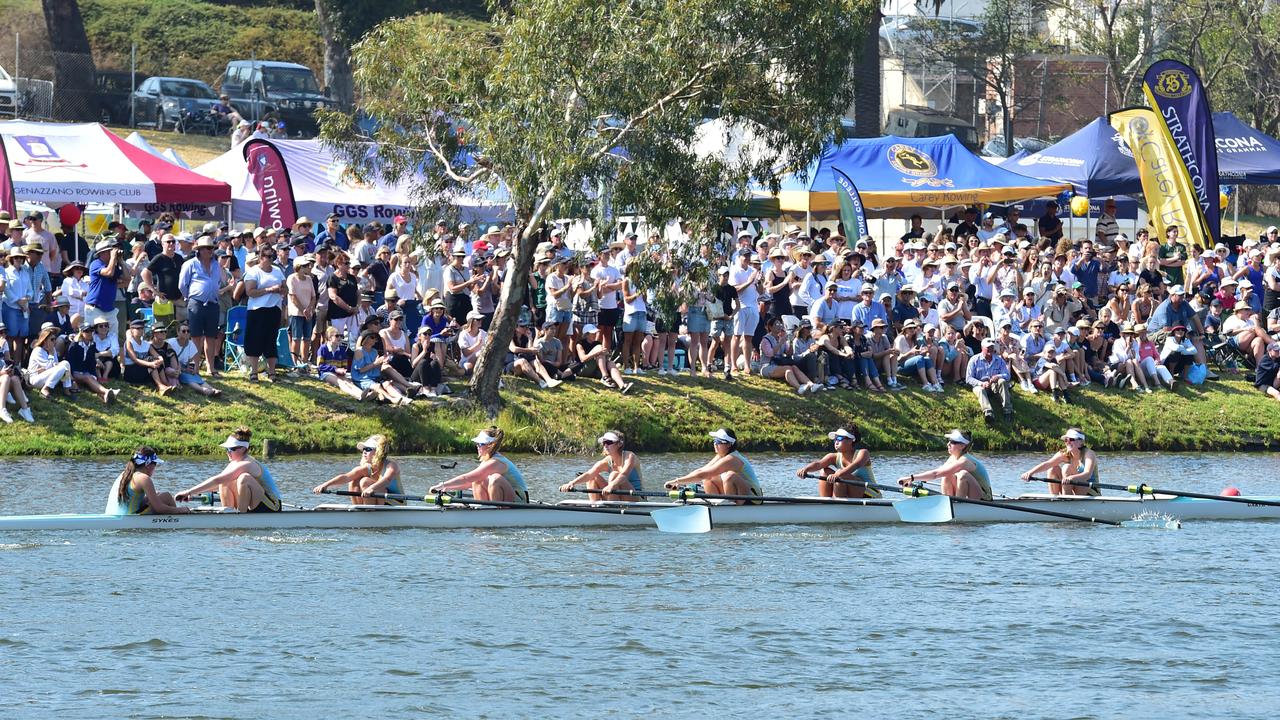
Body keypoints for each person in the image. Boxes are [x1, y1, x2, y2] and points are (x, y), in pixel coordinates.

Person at [176, 428, 282, 512]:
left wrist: (188, 491)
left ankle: (240, 516)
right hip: (256, 503)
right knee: (225, 481)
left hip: (272, 506)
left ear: (243, 449)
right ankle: (229, 514)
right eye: (227, 449)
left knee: (244, 478)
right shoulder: (234, 463)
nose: (228, 452)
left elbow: (216, 480)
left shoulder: (248, 464)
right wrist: (192, 494)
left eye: (231, 449)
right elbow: (217, 483)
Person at [430, 426, 528, 502]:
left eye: (480, 444)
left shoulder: (496, 462)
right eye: (477, 444)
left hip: (520, 501)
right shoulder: (487, 461)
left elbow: (466, 478)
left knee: (495, 478)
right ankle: (484, 510)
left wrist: (442, 485)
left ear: (491, 445)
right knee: (477, 480)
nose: (477, 447)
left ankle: (495, 511)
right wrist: (447, 488)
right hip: (507, 497)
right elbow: (468, 483)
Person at [664, 428, 762, 504]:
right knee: (709, 478)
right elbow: (701, 471)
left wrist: (676, 481)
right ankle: (716, 505)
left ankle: (733, 507)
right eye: (714, 440)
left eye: (719, 442)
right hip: (738, 493)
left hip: (753, 498)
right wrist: (681, 483)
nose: (715, 444)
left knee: (730, 476)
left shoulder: (732, 459)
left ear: (728, 445)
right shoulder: (720, 455)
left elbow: (701, 475)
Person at [898, 429, 992, 500]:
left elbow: (935, 475)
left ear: (962, 446)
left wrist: (911, 477)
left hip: (984, 499)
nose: (948, 444)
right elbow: (937, 472)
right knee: (946, 474)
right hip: (971, 495)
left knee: (963, 475)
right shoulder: (953, 458)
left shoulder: (965, 461)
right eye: (949, 441)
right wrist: (911, 483)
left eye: (952, 442)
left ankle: (959, 505)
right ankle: (948, 502)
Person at [313, 434, 406, 505]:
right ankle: (360, 510)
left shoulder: (392, 466)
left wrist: (371, 488)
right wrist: (326, 485)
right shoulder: (366, 468)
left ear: (378, 452)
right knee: (353, 481)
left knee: (365, 482)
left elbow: (387, 480)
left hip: (396, 503)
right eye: (364, 449)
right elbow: (345, 477)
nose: (364, 451)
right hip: (379, 502)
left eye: (368, 449)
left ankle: (370, 513)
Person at [794, 425, 879, 498]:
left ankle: (837, 507)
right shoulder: (833, 457)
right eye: (835, 439)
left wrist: (837, 474)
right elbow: (818, 464)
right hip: (852, 493)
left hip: (870, 494)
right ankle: (826, 503)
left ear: (850, 440)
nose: (836, 442)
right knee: (824, 471)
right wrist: (805, 469)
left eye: (840, 438)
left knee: (841, 474)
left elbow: (855, 465)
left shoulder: (863, 453)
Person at [242, 249, 287, 382]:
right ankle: (254, 372)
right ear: (261, 257)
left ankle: (272, 372)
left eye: (272, 256)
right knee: (255, 340)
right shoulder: (253, 271)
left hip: (274, 309)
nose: (271, 259)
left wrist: (280, 290)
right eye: (268, 256)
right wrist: (268, 290)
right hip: (257, 310)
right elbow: (250, 292)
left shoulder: (278, 271)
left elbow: (286, 289)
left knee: (271, 340)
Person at [559, 430, 643, 501]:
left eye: (609, 442)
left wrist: (611, 485)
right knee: (593, 477)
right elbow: (589, 474)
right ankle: (595, 507)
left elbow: (624, 475)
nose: (605, 445)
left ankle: (612, 508)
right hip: (616, 497)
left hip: (636, 498)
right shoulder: (606, 462)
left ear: (619, 444)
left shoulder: (629, 456)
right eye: (604, 442)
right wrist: (572, 483)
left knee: (614, 475)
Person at [106, 447, 189, 515]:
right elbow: (159, 508)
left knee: (157, 494)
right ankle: (177, 524)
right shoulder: (143, 478)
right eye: (155, 464)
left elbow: (129, 501)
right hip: (130, 518)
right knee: (166, 496)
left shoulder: (126, 474)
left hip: (114, 515)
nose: (155, 468)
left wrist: (148, 499)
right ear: (148, 465)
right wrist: (182, 510)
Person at [1019, 428, 1101, 496]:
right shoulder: (1064, 454)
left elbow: (1087, 474)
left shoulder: (1089, 454)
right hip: (1073, 491)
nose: (1068, 442)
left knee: (1066, 468)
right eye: (1066, 440)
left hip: (1090, 492)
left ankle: (1067, 501)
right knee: (1052, 469)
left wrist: (1071, 478)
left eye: (1071, 439)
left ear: (1081, 442)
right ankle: (1055, 500)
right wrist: (1030, 473)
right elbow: (1047, 464)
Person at [966, 338, 1013, 422]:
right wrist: (981, 383)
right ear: (982, 348)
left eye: (992, 347)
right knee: (980, 390)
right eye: (988, 347)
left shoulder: (999, 360)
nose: (990, 349)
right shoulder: (974, 360)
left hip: (994, 386)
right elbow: (968, 378)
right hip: (980, 386)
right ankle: (988, 413)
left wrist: (998, 376)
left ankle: (1007, 411)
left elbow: (1007, 375)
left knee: (1002, 381)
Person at [26, 325, 73, 399]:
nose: (54, 341)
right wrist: (51, 355)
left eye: (55, 339)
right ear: (45, 340)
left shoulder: (53, 349)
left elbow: (55, 364)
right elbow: (50, 366)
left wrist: (50, 366)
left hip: (47, 375)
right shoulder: (38, 350)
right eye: (52, 339)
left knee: (65, 363)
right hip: (35, 379)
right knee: (62, 368)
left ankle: (66, 389)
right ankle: (45, 389)